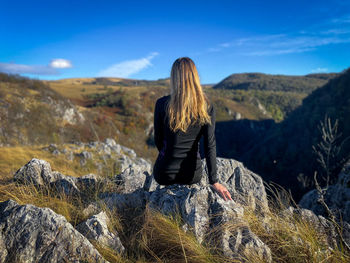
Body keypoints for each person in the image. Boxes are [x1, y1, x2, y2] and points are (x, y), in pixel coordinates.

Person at [152, 57, 232, 201]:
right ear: (195, 76)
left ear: (174, 77)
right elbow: (210, 145)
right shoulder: (206, 106)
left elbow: (158, 140)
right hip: (191, 175)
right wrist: (214, 181)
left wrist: (169, 158)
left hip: (164, 173)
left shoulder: (162, 104)